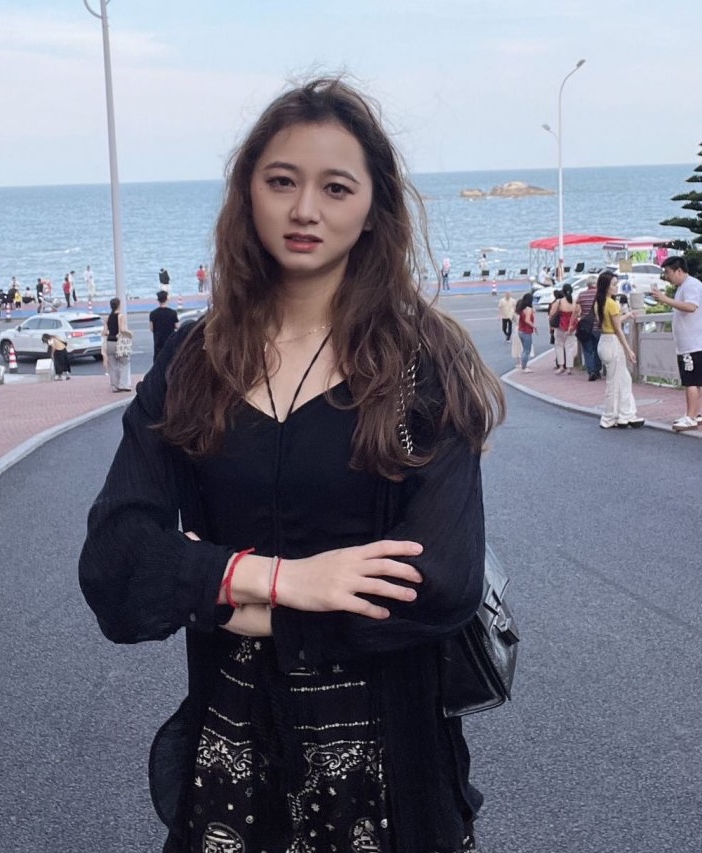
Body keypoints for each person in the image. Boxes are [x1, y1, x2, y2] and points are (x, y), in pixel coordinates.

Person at [79, 77, 505, 853]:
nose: (305, 208)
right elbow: (115, 562)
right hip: (230, 763)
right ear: (249, 192)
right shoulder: (194, 360)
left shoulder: (422, 363)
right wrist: (286, 578)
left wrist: (220, 597)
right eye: (282, 181)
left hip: (390, 772)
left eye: (334, 187)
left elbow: (442, 581)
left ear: (371, 207)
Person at [651, 254, 702, 431]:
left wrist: (665, 299)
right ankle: (696, 413)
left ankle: (690, 417)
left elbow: (691, 307)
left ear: (679, 271)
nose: (666, 276)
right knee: (697, 380)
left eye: (668, 272)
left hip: (692, 343)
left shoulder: (691, 286)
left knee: (691, 381)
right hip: (692, 342)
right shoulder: (685, 286)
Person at [594, 271, 644, 429]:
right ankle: (610, 417)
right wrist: (629, 350)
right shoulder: (612, 304)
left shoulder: (599, 302)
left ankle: (625, 415)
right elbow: (618, 329)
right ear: (606, 286)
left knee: (623, 380)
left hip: (604, 341)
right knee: (615, 384)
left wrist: (626, 315)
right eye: (614, 285)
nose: (616, 287)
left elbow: (610, 323)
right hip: (613, 343)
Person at [101, 297, 132, 393]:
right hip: (119, 343)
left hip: (110, 342)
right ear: (119, 305)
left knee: (113, 365)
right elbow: (122, 329)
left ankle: (114, 386)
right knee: (124, 363)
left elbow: (104, 332)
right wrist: (130, 333)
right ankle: (123, 384)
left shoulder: (108, 318)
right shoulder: (121, 316)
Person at [573, 276, 601, 381]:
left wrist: (572, 324)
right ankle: (597, 370)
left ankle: (591, 371)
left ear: (587, 284)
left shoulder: (581, 295)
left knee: (587, 350)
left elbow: (576, 311)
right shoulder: (600, 294)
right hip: (597, 326)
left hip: (585, 327)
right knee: (597, 349)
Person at [549, 283, 576, 375]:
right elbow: (578, 313)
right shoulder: (575, 301)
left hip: (560, 326)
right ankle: (569, 368)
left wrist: (551, 324)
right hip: (571, 326)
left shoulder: (559, 302)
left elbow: (552, 313)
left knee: (559, 345)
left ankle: (561, 366)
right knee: (570, 347)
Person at [149, 290, 179, 360]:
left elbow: (152, 328)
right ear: (167, 299)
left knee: (158, 359)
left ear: (158, 300)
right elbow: (177, 326)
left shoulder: (153, 313)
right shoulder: (173, 313)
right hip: (170, 340)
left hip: (158, 341)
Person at [516, 292, 535, 371]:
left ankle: (523, 364)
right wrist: (534, 326)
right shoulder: (528, 309)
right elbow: (527, 320)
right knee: (527, 350)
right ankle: (524, 366)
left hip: (521, 330)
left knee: (524, 349)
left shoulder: (521, 309)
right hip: (526, 331)